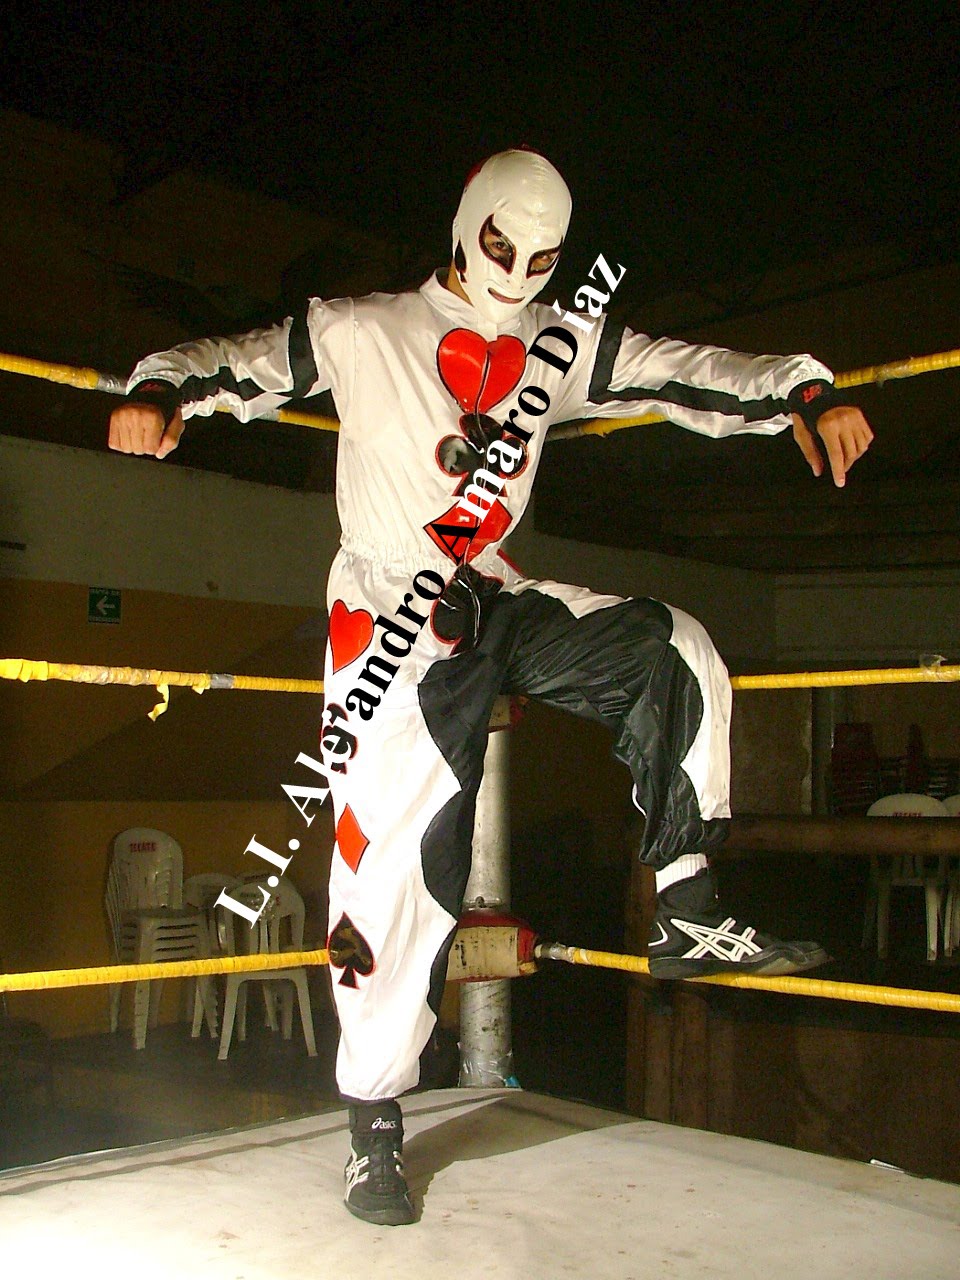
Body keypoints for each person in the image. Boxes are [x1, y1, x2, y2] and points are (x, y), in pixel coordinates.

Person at [108, 148, 873, 1227]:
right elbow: (231, 361)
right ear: (469, 222)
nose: (518, 273)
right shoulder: (362, 329)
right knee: (388, 877)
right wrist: (157, 388)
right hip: (391, 623)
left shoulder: (558, 344)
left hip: (496, 593)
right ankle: (373, 1123)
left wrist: (802, 390)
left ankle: (688, 906)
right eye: (506, 245)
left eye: (545, 256)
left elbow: (679, 370)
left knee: (672, 648)